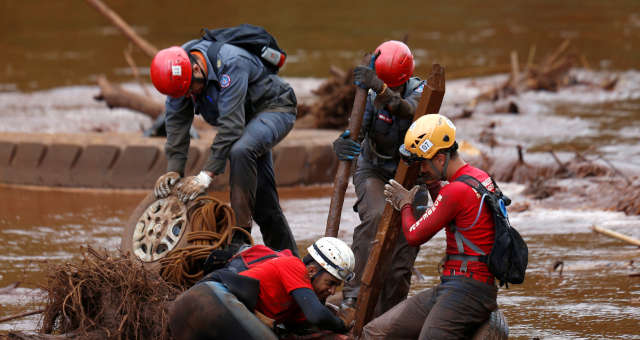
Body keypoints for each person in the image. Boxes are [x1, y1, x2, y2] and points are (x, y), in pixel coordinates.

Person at [149, 30, 298, 256]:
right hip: (246, 122)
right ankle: (291, 263)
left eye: (191, 91)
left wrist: (206, 175)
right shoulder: (178, 76)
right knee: (264, 203)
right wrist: (173, 170)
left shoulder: (231, 62)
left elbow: (231, 126)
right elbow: (177, 124)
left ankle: (240, 236)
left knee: (240, 150)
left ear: (197, 69)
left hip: (274, 109)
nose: (189, 96)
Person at [363, 114, 498, 339]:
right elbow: (451, 212)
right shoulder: (479, 178)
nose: (421, 169)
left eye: (423, 162)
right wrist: (434, 185)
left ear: (440, 158)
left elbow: (414, 235)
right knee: (375, 332)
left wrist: (405, 203)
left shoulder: (455, 191)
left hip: (467, 289)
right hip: (459, 285)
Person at [332, 40, 427, 315]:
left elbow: (408, 111)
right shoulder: (370, 94)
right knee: (374, 218)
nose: (386, 90)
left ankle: (390, 312)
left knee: (404, 243)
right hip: (373, 168)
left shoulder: (421, 92)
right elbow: (357, 130)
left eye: (391, 85)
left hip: (412, 176)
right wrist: (342, 143)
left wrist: (381, 88)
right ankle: (352, 297)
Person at [168, 237, 356, 340]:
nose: (332, 292)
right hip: (210, 297)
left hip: (201, 316)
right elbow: (317, 315)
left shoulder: (298, 306)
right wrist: (342, 323)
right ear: (312, 270)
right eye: (331, 283)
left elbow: (309, 324)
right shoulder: (294, 266)